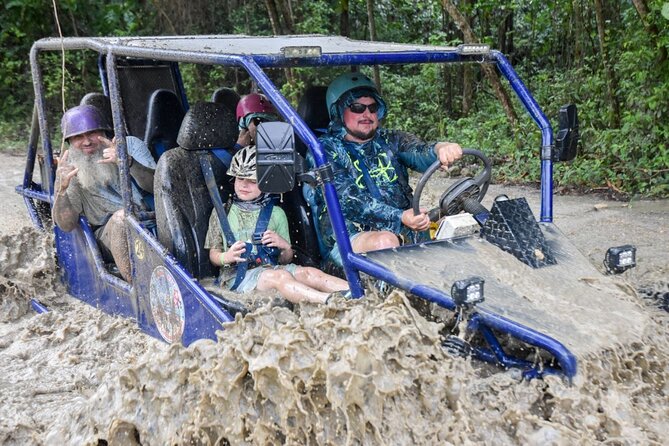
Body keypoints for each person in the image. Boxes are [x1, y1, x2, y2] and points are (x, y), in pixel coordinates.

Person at [311, 72, 463, 264]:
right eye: (357, 108)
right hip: (349, 237)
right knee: (385, 241)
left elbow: (419, 151)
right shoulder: (323, 150)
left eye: (372, 107)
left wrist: (441, 149)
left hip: (406, 228)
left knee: (464, 224)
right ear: (339, 112)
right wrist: (400, 216)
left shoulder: (390, 139)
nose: (367, 114)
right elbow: (348, 201)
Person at [205, 145, 349, 304]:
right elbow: (214, 255)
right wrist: (228, 256)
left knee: (309, 273)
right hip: (236, 277)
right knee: (280, 277)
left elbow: (285, 260)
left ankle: (358, 294)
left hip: (270, 269)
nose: (244, 185)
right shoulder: (222, 212)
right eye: (240, 178)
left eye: (253, 180)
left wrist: (285, 246)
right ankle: (331, 302)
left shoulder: (276, 214)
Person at [52, 104, 155, 282]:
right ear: (69, 141)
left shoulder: (130, 145)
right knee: (122, 218)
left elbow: (156, 186)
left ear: (104, 131)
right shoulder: (69, 168)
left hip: (149, 220)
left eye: (92, 133)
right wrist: (61, 189)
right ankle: (139, 287)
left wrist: (127, 163)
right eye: (78, 136)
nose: (86, 141)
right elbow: (67, 225)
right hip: (108, 233)